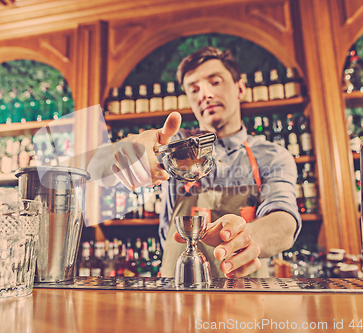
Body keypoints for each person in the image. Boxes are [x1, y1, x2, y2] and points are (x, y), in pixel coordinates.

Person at [89, 47, 301, 278]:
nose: (205, 94)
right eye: (194, 89)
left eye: (215, 82)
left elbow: (284, 223)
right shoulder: (175, 147)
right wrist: (131, 149)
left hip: (244, 294)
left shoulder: (271, 155)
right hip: (176, 293)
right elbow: (97, 165)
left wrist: (242, 236)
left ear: (240, 89)